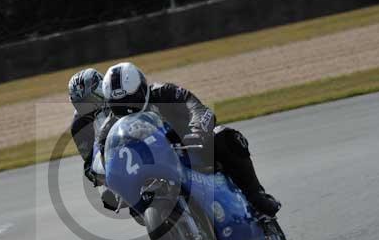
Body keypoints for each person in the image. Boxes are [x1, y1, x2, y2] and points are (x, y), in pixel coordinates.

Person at [99, 62, 281, 217]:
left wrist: (196, 132)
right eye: (119, 106)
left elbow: (198, 108)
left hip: (189, 150)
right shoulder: (108, 128)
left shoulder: (165, 93)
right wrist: (114, 185)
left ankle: (256, 195)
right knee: (133, 206)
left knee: (226, 136)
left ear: (142, 89)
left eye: (131, 100)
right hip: (150, 169)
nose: (128, 109)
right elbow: (107, 158)